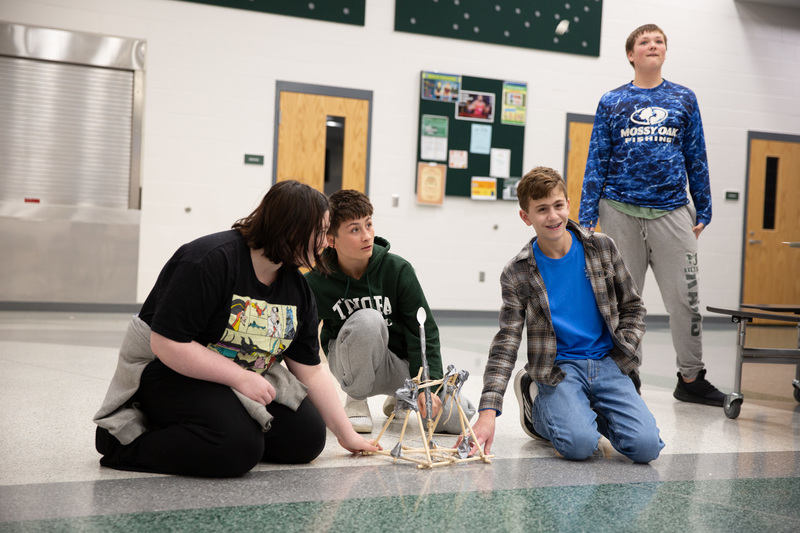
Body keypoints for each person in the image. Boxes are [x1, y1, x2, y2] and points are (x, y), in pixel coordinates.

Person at [93, 180, 379, 478]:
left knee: (305, 440)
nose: (325, 242)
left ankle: (215, 431)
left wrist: (347, 435)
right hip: (168, 372)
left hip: (240, 375)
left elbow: (310, 369)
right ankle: (123, 444)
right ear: (291, 229)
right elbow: (167, 344)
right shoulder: (208, 260)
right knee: (237, 448)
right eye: (320, 232)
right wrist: (240, 378)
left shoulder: (295, 287)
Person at [469, 167, 664, 463]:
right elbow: (506, 341)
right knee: (579, 446)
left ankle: (579, 409)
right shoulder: (518, 271)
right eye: (542, 210)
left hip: (607, 363)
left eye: (558, 206)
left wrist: (625, 349)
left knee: (646, 448)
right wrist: (488, 411)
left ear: (568, 205)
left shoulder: (601, 248)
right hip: (559, 369)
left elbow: (633, 307)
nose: (553, 216)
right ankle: (535, 399)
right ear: (526, 217)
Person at [578, 23, 725, 407]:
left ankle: (691, 377)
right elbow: (597, 158)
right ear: (631, 54)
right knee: (623, 302)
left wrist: (705, 207)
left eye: (659, 41)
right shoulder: (612, 100)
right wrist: (586, 214)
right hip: (618, 209)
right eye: (644, 41)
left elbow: (697, 154)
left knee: (686, 299)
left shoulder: (683, 98)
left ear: (665, 52)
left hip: (674, 210)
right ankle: (626, 375)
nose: (653, 45)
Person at [305, 189, 474, 434]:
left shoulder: (398, 270)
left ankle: (401, 396)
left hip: (397, 365)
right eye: (355, 229)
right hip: (348, 363)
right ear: (332, 240)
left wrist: (428, 387)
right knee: (368, 320)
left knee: (457, 419)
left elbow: (424, 331)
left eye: (369, 225)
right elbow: (303, 340)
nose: (367, 236)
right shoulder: (316, 281)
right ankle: (356, 399)